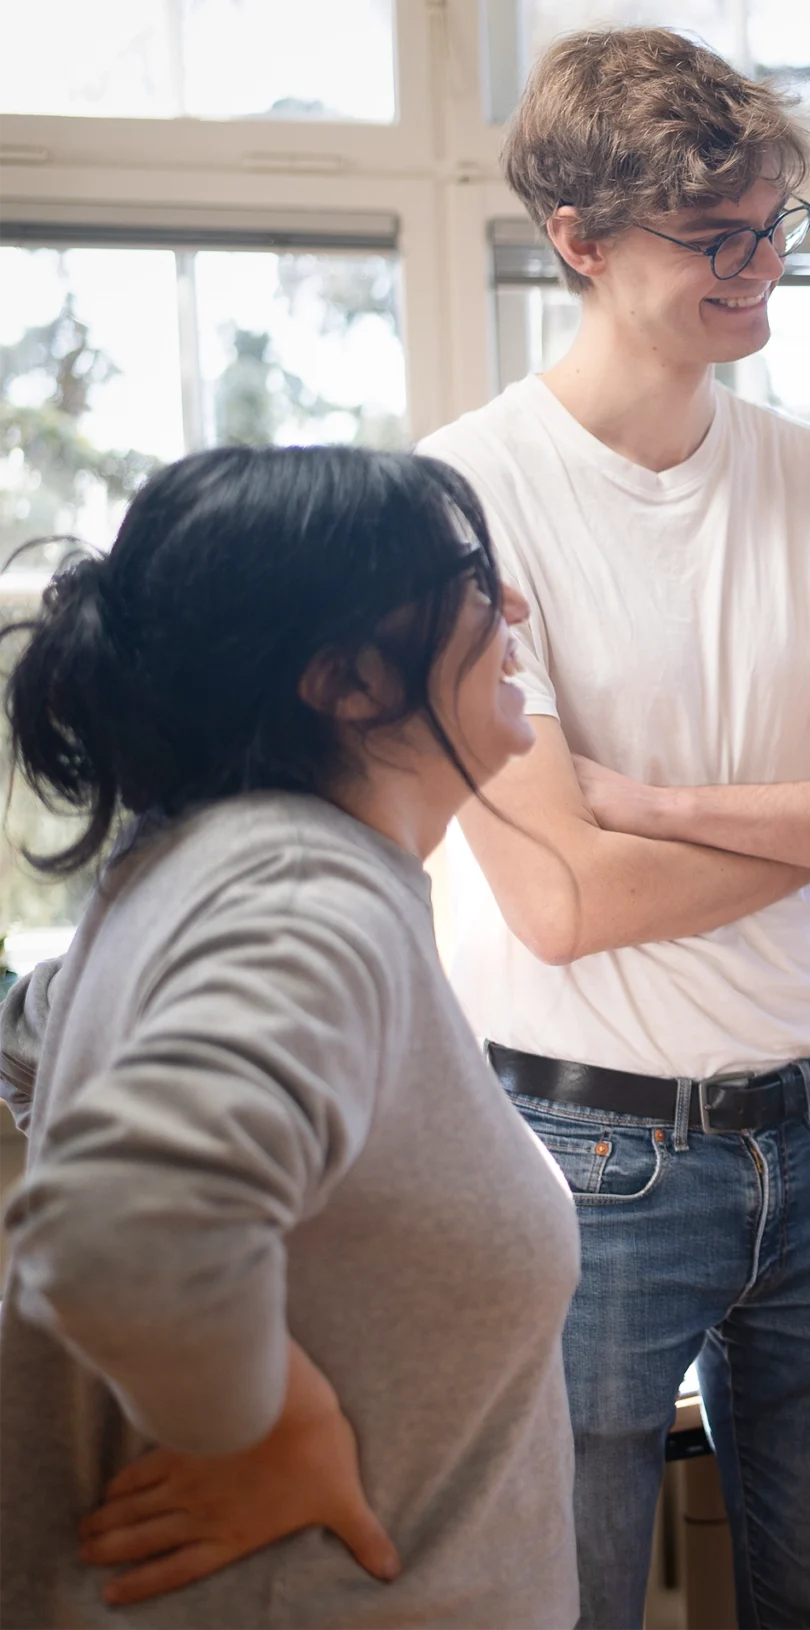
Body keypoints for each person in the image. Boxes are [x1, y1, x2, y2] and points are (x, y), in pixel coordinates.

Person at [416, 27, 810, 1630]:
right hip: (583, 1155)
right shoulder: (458, 501)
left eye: (774, 226)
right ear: (581, 242)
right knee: (571, 1608)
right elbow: (566, 901)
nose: (760, 271)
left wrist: (662, 802)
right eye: (715, 238)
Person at [0, 446, 574, 1626]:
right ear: (348, 681)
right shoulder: (306, 894)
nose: (509, 604)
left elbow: (43, 1034)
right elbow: (122, 1224)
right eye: (472, 578)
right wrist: (277, 1423)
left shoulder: (186, 865)